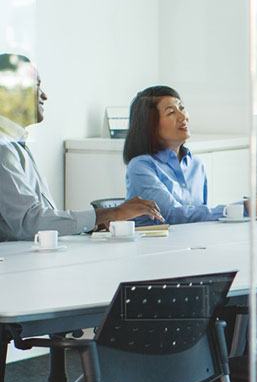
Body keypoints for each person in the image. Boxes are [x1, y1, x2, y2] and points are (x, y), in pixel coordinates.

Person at [0, 54, 162, 242]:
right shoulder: (3, 149)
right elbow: (29, 224)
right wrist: (107, 214)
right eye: (37, 85)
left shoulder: (15, 145)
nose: (44, 95)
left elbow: (39, 219)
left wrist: (96, 221)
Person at [124, 86, 228, 224]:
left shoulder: (196, 164)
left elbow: (201, 218)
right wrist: (239, 209)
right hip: (155, 245)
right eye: (171, 112)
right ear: (150, 125)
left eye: (182, 108)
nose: (183, 116)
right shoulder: (140, 167)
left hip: (191, 243)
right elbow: (173, 215)